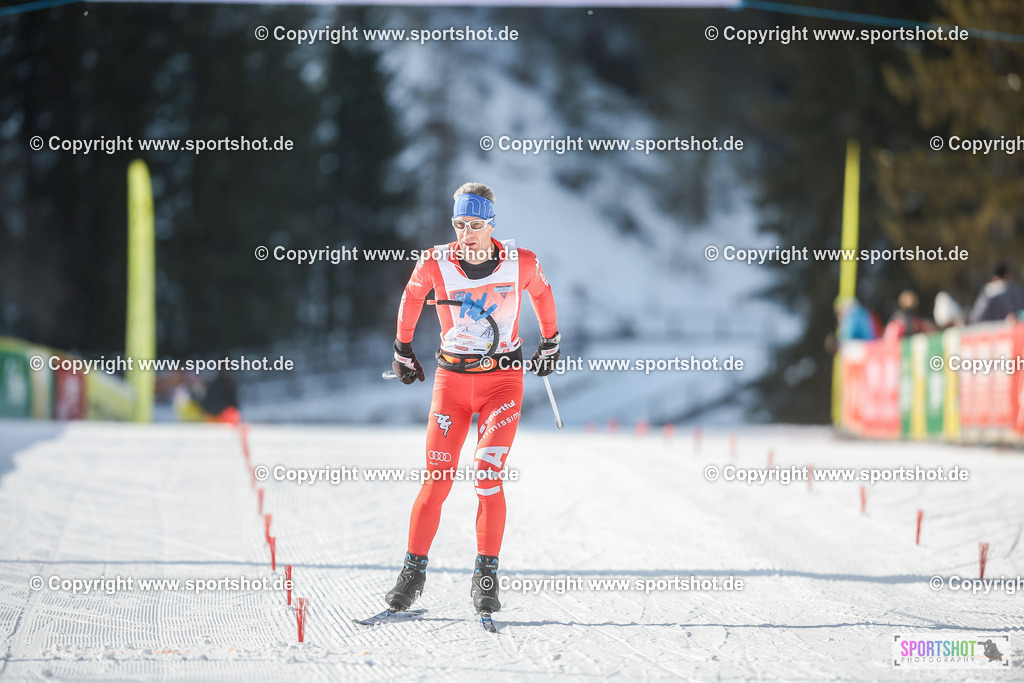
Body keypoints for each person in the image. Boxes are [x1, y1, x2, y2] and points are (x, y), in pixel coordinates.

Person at [385, 182, 559, 617]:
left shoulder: (522, 262)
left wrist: (551, 341)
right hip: (452, 383)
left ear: (491, 225)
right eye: (459, 224)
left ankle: (485, 577)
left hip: (502, 382)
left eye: (476, 225)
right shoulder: (434, 262)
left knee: (486, 473)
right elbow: (410, 298)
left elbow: (541, 292)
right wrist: (402, 349)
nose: (467, 234)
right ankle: (412, 573)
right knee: (437, 477)